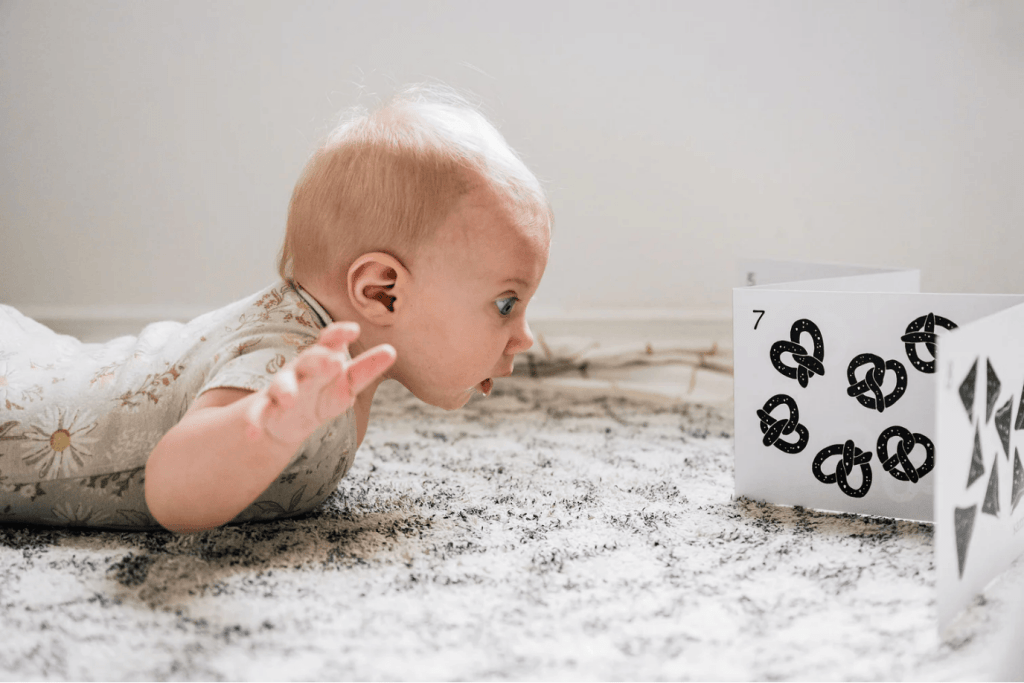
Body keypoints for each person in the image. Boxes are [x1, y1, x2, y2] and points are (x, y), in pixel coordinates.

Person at [0, 85, 552, 533]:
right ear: (383, 291)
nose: (524, 335)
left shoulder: (318, 358)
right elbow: (170, 492)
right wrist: (262, 430)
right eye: (506, 303)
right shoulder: (283, 363)